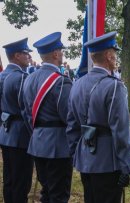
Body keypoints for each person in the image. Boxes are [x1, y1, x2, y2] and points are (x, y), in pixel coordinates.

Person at [66, 31, 130, 202]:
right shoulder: (114, 86)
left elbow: (72, 125)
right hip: (107, 162)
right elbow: (121, 130)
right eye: (115, 54)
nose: (116, 58)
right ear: (108, 56)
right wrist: (126, 165)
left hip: (85, 158)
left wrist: (77, 153)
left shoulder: (77, 84)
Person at [23, 32, 73, 203]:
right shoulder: (60, 81)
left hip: (37, 142)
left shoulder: (29, 79)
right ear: (55, 54)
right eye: (61, 51)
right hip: (58, 147)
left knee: (47, 192)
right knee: (59, 194)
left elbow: (26, 113)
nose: (62, 54)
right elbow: (69, 117)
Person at [0, 38, 33, 203]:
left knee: (9, 180)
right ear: (17, 55)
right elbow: (26, 110)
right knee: (21, 182)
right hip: (21, 135)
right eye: (26, 53)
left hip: (5, 132)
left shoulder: (2, 75)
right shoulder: (20, 78)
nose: (29, 56)